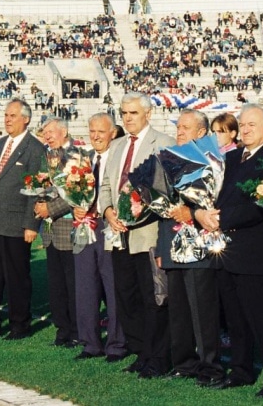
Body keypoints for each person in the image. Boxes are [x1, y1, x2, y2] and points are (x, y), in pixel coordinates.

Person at [194, 104, 263, 398]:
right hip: (224, 249)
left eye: (252, 124)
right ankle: (241, 370)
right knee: (235, 318)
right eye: (243, 124)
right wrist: (203, 213)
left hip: (253, 251)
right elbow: (211, 192)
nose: (246, 129)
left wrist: (218, 218)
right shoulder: (232, 157)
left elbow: (261, 206)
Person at [98, 92, 173, 378]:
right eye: (124, 113)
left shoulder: (163, 144)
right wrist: (108, 212)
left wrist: (139, 213)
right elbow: (106, 185)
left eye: (133, 113)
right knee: (126, 297)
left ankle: (158, 357)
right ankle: (141, 352)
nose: (128, 118)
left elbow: (166, 191)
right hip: (118, 235)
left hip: (147, 235)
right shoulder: (116, 145)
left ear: (147, 114)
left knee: (152, 297)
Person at [156, 110, 224, 386]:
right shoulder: (167, 159)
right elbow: (159, 204)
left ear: (201, 133)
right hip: (173, 245)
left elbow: (214, 201)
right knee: (179, 309)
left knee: (202, 310)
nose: (179, 131)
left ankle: (211, 367)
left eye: (186, 127)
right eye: (178, 127)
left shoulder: (213, 162)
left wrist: (192, 211)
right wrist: (161, 249)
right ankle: (184, 362)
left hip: (200, 245)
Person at [0, 98, 46, 340]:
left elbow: (34, 189)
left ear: (25, 119)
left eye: (12, 115)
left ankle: (19, 325)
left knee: (17, 278)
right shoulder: (0, 144)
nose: (7, 119)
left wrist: (30, 224)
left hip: (17, 224)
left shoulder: (35, 149)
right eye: (6, 115)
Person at [72, 113, 127, 362]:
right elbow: (74, 192)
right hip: (84, 228)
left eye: (101, 132)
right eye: (92, 130)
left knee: (113, 286)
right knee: (85, 286)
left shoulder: (119, 159)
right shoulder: (84, 159)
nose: (95, 136)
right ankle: (90, 342)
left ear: (113, 133)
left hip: (109, 227)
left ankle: (116, 344)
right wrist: (76, 206)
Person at [33, 118, 80, 347]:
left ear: (64, 131)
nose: (47, 136)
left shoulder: (76, 155)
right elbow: (42, 186)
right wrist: (38, 201)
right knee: (57, 287)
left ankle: (77, 331)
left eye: (50, 132)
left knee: (73, 286)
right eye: (44, 133)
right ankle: (62, 331)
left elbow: (76, 193)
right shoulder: (47, 157)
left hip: (68, 230)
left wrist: (49, 208)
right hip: (51, 232)